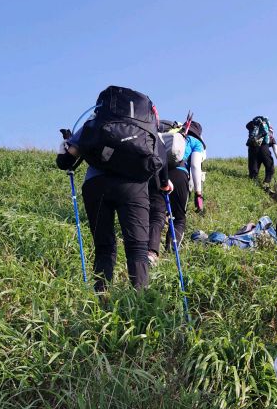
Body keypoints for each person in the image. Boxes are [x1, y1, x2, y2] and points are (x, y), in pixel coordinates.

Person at [57, 124, 172, 291]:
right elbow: (159, 154)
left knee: (104, 247)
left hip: (96, 184)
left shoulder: (97, 120)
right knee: (138, 248)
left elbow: (64, 162)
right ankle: (139, 303)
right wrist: (164, 181)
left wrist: (66, 144)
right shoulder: (144, 124)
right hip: (134, 187)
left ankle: (100, 301)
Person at [148, 121, 206, 265]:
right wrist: (198, 193)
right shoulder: (194, 141)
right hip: (180, 175)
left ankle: (151, 252)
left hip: (158, 174)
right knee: (179, 218)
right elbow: (194, 165)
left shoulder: (169, 136)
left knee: (157, 215)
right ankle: (172, 252)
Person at [246, 115, 277, 186]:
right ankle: (266, 184)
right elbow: (276, 151)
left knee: (253, 170)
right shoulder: (271, 138)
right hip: (264, 149)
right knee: (270, 168)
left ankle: (254, 185)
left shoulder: (255, 131)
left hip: (252, 148)